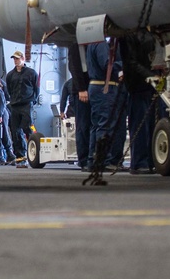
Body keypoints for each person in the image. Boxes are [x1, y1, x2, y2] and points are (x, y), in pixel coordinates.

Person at [120, 30, 157, 174]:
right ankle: (139, 162)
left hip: (147, 85)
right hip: (138, 86)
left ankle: (148, 161)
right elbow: (130, 62)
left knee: (149, 126)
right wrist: (151, 75)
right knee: (140, 127)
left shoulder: (149, 33)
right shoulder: (130, 35)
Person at [86, 39, 125, 172]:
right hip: (104, 87)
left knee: (96, 125)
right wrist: (120, 68)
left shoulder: (92, 43)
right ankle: (104, 160)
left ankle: (93, 159)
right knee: (105, 125)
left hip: (96, 86)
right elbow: (106, 64)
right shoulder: (101, 44)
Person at [5, 50, 39, 167]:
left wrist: (32, 100)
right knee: (15, 131)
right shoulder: (10, 75)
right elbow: (9, 89)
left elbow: (36, 89)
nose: (15, 61)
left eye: (17, 58)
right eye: (14, 59)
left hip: (27, 104)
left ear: (23, 59)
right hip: (15, 105)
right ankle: (20, 157)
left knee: (28, 128)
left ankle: (33, 154)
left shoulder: (31, 73)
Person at [66, 41, 92, 171]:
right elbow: (74, 67)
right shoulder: (76, 45)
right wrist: (81, 88)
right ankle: (84, 160)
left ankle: (90, 158)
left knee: (90, 125)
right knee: (83, 126)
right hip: (81, 91)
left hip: (91, 89)